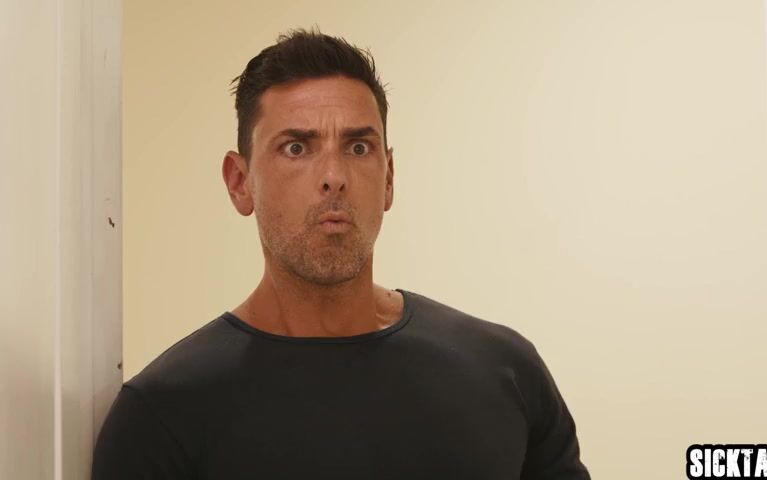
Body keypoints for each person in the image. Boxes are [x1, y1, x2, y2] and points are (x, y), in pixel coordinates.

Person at [92, 28, 591, 480]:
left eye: (358, 148)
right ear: (240, 182)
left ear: (389, 179)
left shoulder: (505, 372)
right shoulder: (163, 417)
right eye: (296, 148)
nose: (334, 176)